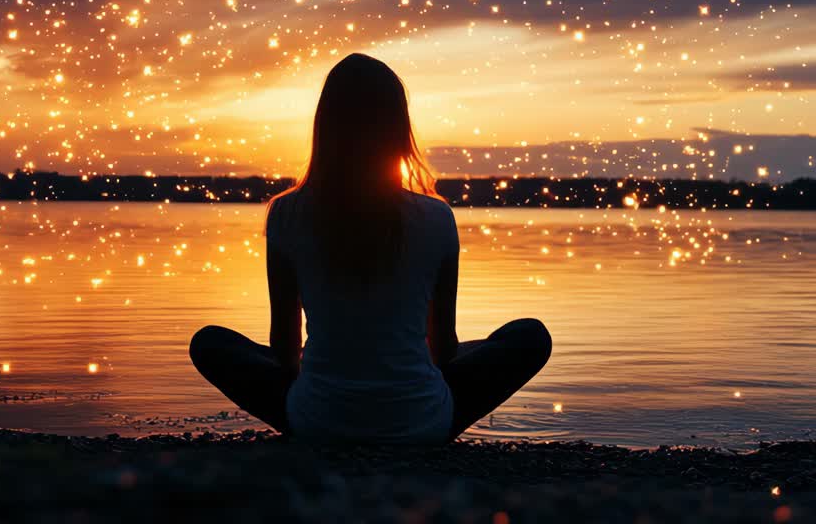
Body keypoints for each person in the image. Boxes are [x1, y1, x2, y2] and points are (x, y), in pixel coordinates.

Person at [190, 53, 551, 444]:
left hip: (316, 423)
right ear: (398, 130)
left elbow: (285, 354)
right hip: (423, 425)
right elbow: (444, 352)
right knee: (529, 337)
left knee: (210, 343)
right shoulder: (436, 217)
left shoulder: (286, 213)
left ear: (325, 128)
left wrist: (336, 375)